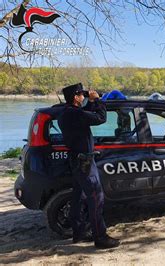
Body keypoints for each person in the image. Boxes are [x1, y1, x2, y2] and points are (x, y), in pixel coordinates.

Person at [57, 83, 120, 249]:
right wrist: (98, 100)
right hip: (84, 162)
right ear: (76, 97)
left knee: (78, 198)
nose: (84, 97)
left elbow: (87, 115)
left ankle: (78, 233)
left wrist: (91, 103)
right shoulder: (75, 113)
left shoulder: (66, 113)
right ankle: (100, 237)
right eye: (81, 95)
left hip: (76, 160)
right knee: (96, 198)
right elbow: (100, 118)